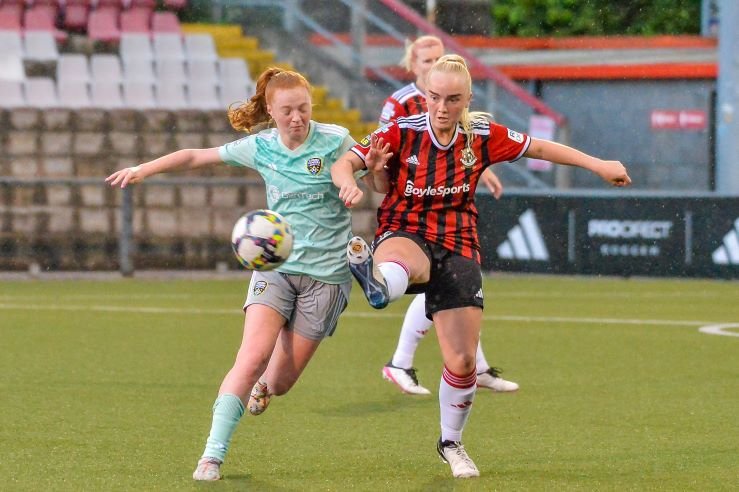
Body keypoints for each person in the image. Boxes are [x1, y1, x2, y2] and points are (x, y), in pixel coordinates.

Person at [332, 55, 631, 478]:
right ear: (424, 96)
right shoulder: (400, 130)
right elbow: (346, 161)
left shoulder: (482, 135)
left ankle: (451, 443)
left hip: (458, 242)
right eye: (433, 97)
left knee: (463, 362)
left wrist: (599, 165)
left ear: (468, 100)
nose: (441, 108)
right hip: (405, 229)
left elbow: (540, 147)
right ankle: (380, 283)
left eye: (453, 100)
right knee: (403, 261)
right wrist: (348, 180)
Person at [106, 68, 374, 482]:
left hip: (327, 278)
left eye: (303, 108)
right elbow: (197, 155)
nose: (297, 118)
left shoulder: (336, 139)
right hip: (276, 270)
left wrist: (363, 181)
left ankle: (267, 387)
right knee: (249, 358)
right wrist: (145, 168)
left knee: (281, 382)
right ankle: (211, 456)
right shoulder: (261, 147)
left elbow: (373, 172)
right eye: (287, 111)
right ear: (271, 110)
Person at [380, 35, 518, 396]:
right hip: (410, 211)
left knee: (459, 286)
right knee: (443, 287)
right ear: (412, 66)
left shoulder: (452, 97)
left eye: (439, 58)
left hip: (444, 210)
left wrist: (482, 169)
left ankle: (474, 366)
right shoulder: (401, 104)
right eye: (426, 61)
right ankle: (400, 362)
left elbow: (463, 145)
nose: (434, 66)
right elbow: (390, 150)